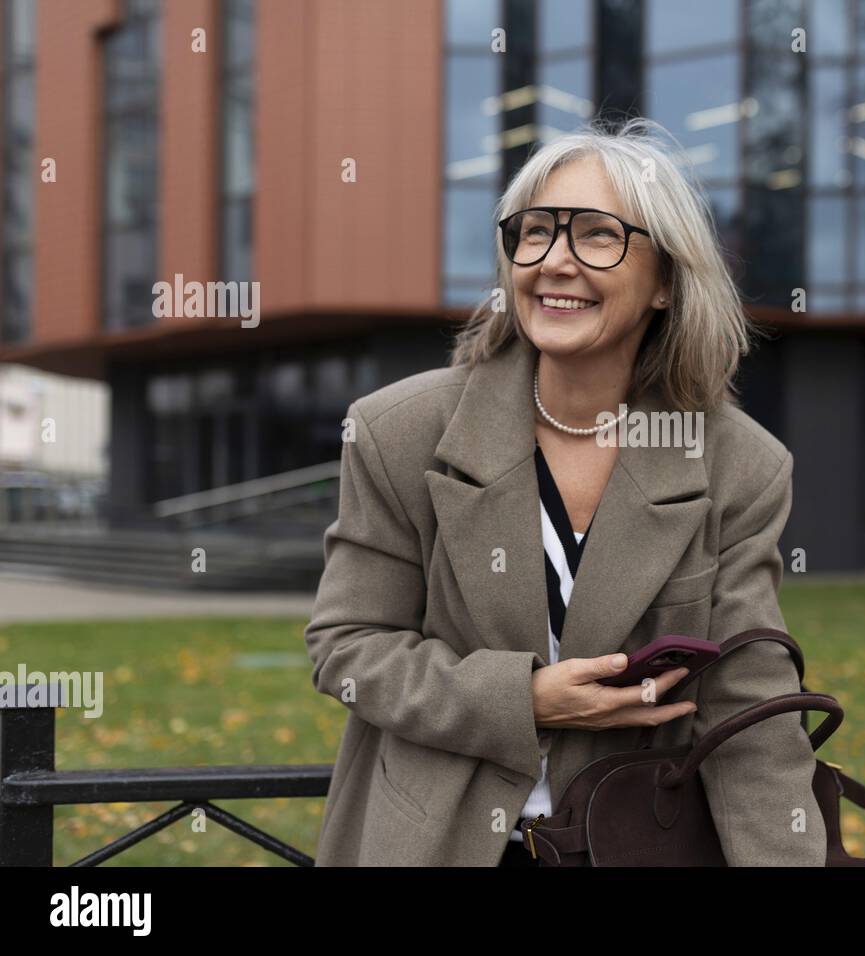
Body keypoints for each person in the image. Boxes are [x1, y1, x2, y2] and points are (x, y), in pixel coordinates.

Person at [304, 117, 827, 866]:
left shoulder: (739, 466)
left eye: (597, 236)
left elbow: (750, 710)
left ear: (667, 283)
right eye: (536, 232)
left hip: (634, 841)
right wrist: (523, 700)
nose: (554, 261)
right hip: (433, 842)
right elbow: (347, 649)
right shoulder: (399, 431)